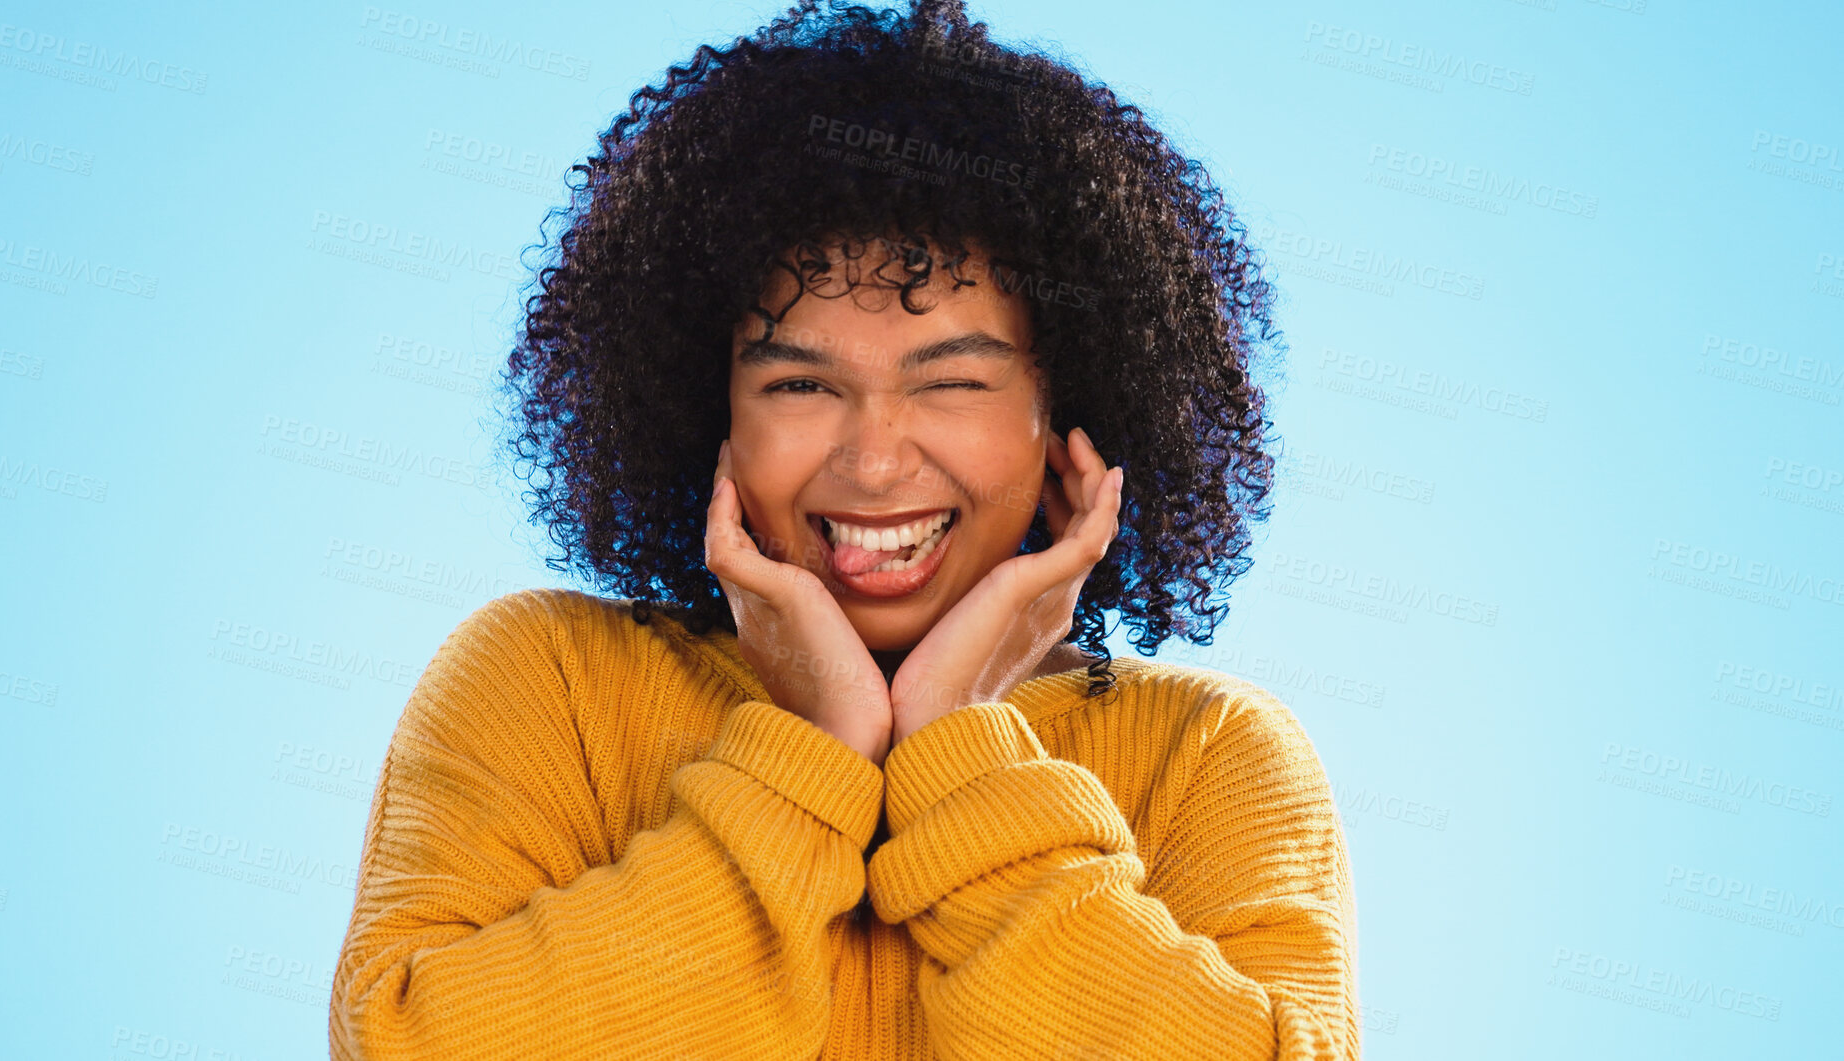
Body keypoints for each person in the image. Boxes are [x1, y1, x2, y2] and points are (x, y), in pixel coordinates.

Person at [329, 0, 1360, 1057]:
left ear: (1068, 414)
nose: (872, 461)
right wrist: (810, 758)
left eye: (953, 380)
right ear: (707, 407)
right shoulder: (548, 677)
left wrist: (959, 741)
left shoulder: (1207, 752)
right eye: (801, 381)